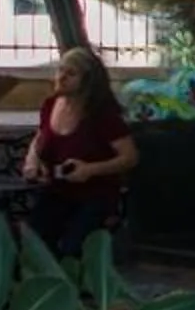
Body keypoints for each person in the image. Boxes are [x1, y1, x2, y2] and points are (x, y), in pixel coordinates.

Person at [21, 46, 137, 258]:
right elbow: (39, 138)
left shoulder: (101, 113)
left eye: (71, 73)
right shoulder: (50, 105)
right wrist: (32, 161)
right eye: (60, 70)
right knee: (34, 243)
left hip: (94, 196)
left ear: (87, 80)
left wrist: (90, 170)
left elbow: (129, 157)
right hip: (55, 191)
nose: (62, 77)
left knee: (73, 248)